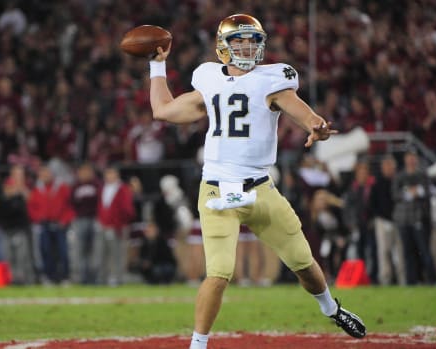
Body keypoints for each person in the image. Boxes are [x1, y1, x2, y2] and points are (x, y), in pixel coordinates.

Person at [147, 14, 366, 349]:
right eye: (239, 41)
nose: (247, 47)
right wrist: (157, 66)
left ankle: (331, 308)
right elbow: (163, 110)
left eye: (252, 40)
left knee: (304, 263)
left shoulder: (272, 79)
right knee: (219, 273)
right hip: (217, 191)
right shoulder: (209, 79)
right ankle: (198, 345)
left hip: (261, 189)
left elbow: (302, 110)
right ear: (223, 47)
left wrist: (316, 125)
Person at [393, 149, 436, 285]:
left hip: (419, 219)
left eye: (413, 157)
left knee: (424, 251)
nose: (411, 160)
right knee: (408, 253)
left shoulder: (423, 175)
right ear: (405, 159)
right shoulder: (399, 176)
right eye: (409, 157)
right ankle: (411, 281)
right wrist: (411, 192)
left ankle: (431, 280)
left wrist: (412, 192)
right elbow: (395, 194)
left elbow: (427, 191)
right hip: (404, 219)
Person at [92, 167, 136, 286]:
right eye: (107, 173)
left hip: (117, 227)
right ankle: (102, 279)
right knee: (101, 254)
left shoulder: (123, 189)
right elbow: (101, 207)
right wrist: (101, 222)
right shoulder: (102, 188)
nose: (109, 176)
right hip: (103, 226)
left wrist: (118, 224)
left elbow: (128, 210)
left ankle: (118, 278)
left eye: (111, 173)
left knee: (118, 254)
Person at [371, 155, 405, 285]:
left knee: (400, 252)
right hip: (383, 221)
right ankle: (385, 279)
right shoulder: (377, 184)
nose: (388, 169)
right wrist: (381, 217)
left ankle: (402, 279)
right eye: (386, 166)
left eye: (391, 166)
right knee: (384, 251)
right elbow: (372, 204)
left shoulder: (399, 181)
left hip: (398, 220)